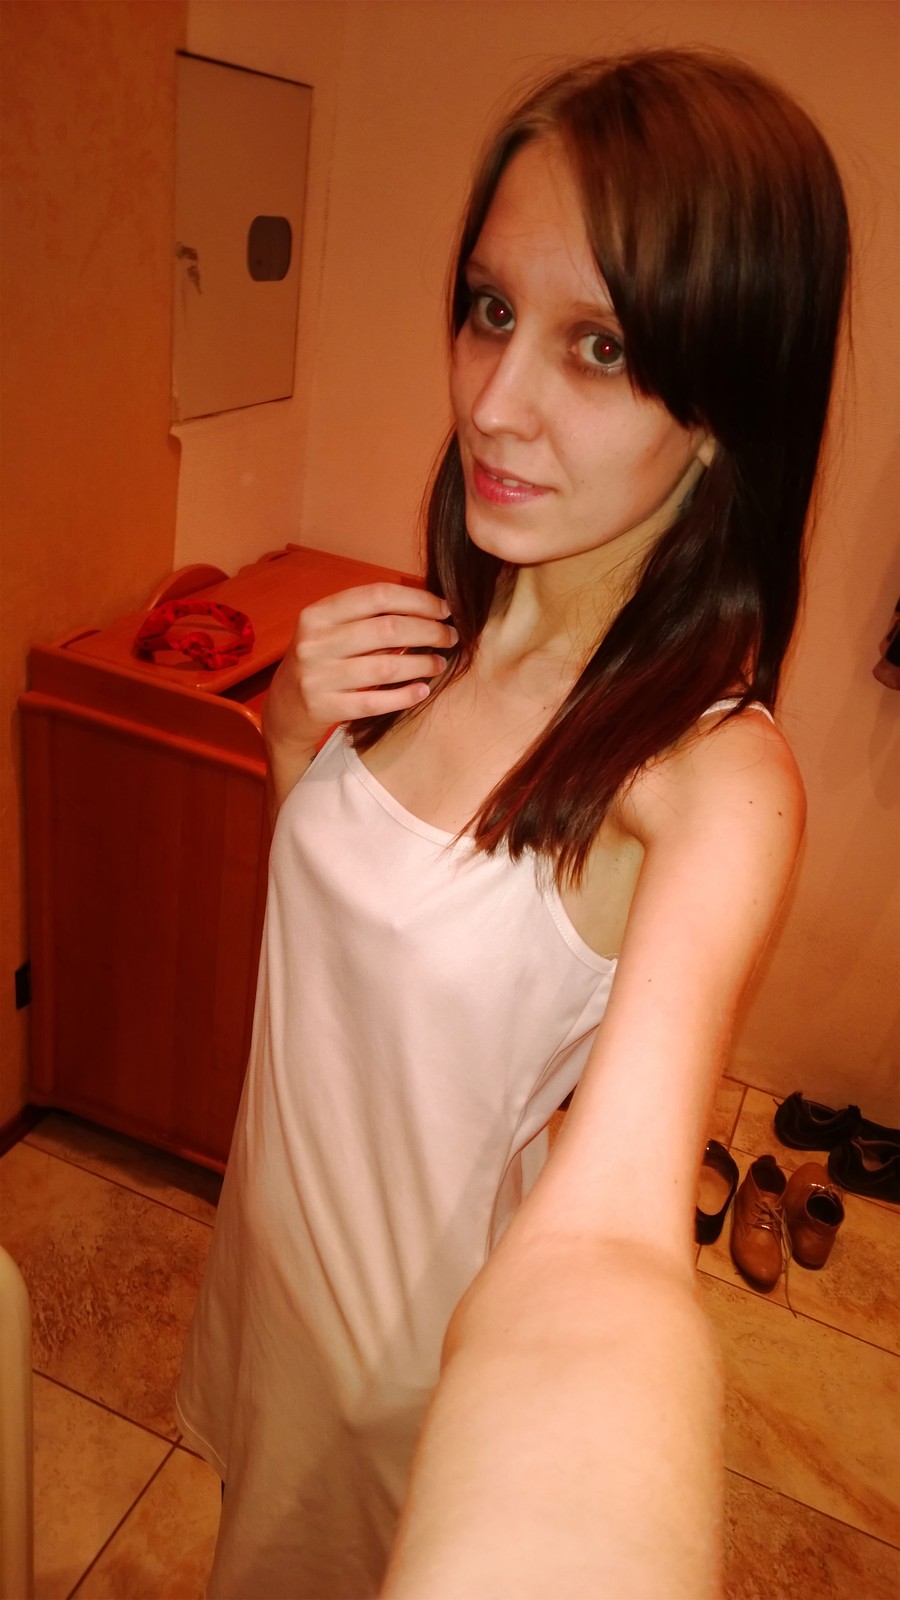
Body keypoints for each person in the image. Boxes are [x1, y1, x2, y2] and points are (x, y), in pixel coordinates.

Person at [176, 48, 849, 1599]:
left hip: (409, 1402)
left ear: (726, 404)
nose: (493, 403)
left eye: (598, 346)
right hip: (271, 1291)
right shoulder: (444, 634)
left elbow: (612, 1242)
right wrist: (293, 741)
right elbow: (353, 953)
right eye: (490, 310)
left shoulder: (710, 780)